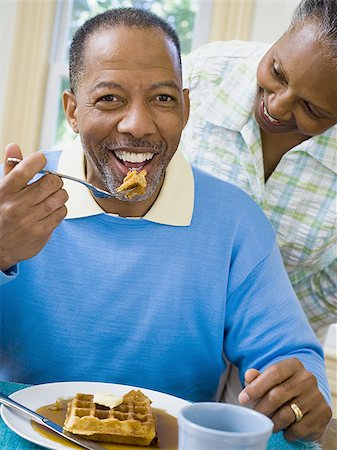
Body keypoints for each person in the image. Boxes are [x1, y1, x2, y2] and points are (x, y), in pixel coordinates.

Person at [0, 7, 332, 443]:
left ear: (186, 108)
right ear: (73, 111)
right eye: (109, 99)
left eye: (162, 98)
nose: (138, 124)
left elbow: (289, 353)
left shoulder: (235, 223)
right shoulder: (13, 206)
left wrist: (301, 391)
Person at [181, 0, 337, 343]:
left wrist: (266, 321)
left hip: (276, 342)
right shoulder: (203, 75)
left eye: (312, 108)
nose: (276, 106)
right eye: (278, 72)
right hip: (165, 314)